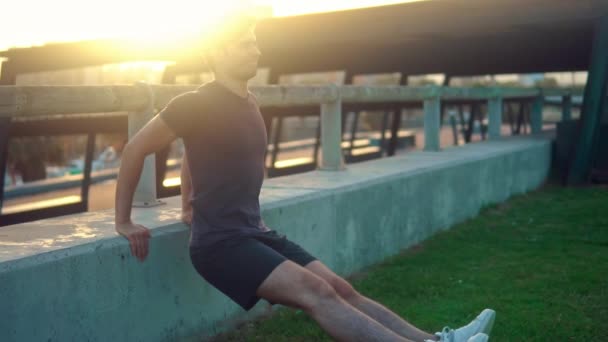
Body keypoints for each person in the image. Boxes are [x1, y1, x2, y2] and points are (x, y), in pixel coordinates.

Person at [113, 13, 495, 342]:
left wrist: (186, 205)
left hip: (252, 232)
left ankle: (438, 339)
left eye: (254, 43)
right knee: (317, 293)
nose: (256, 50)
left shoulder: (248, 102)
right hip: (220, 245)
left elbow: (191, 155)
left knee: (340, 288)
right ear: (217, 53)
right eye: (245, 44)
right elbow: (135, 149)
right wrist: (124, 220)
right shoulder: (194, 102)